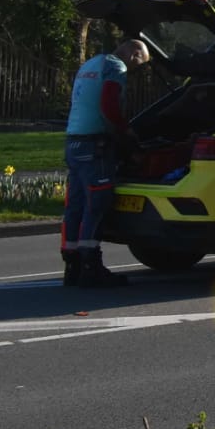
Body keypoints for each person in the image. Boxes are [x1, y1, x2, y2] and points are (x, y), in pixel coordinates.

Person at [62, 37, 150, 288]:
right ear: (134, 54)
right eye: (139, 65)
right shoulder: (115, 67)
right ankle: (90, 266)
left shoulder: (90, 64)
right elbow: (109, 105)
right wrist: (126, 134)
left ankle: (72, 265)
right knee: (97, 204)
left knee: (75, 205)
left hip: (74, 142)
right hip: (95, 145)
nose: (134, 71)